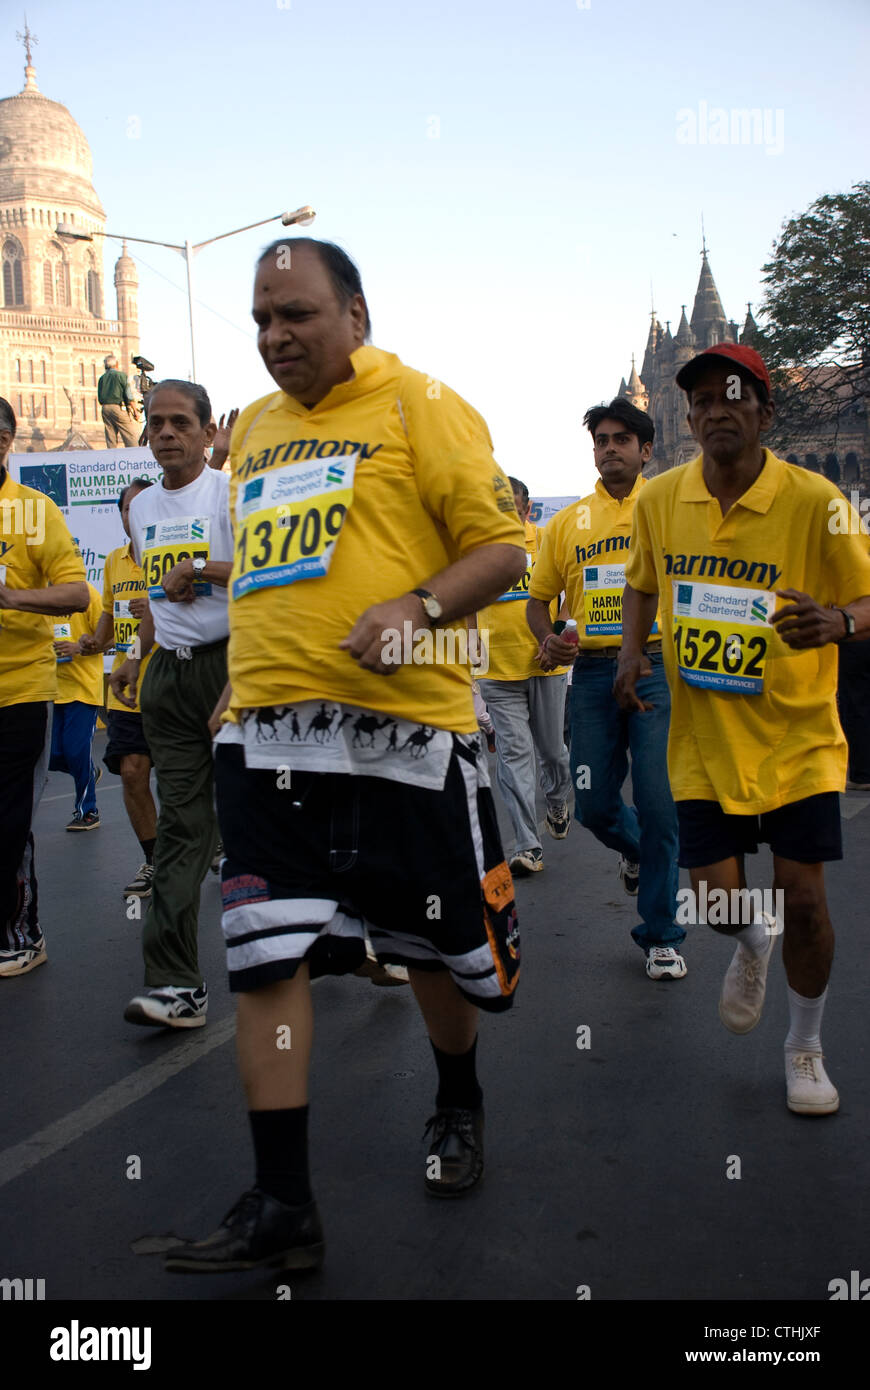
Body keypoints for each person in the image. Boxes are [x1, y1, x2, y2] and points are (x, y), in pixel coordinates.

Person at [164, 237, 525, 1275]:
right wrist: (250, 672)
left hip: (405, 744)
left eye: (298, 316)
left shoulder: (422, 404)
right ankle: (284, 1203)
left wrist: (416, 606)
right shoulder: (262, 429)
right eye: (262, 319)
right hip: (268, 741)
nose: (276, 337)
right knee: (266, 960)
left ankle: (457, 1099)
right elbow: (276, 572)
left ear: (355, 314)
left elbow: (503, 548)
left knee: (427, 951)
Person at [615, 343, 870, 1113]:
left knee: (806, 901)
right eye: (701, 401)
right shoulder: (659, 502)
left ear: (766, 411)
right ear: (684, 416)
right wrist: (630, 653)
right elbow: (640, 585)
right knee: (717, 903)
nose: (716, 410)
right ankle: (751, 944)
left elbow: (867, 600)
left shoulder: (817, 499)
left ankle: (804, 1047)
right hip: (701, 742)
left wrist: (838, 622)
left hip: (796, 736)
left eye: (735, 397)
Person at [528, 398, 686, 980]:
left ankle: (662, 934)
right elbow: (537, 600)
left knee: (659, 801)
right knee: (592, 802)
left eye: (622, 439)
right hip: (593, 671)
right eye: (601, 440)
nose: (610, 448)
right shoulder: (568, 523)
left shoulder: (669, 507)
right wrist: (549, 641)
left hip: (657, 667)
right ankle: (641, 853)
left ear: (647, 450)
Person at [109, 381, 232, 1028]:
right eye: (155, 423)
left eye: (180, 422)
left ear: (208, 432)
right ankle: (176, 983)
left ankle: (357, 928)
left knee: (274, 814)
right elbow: (159, 597)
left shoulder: (232, 496)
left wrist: (206, 571)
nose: (165, 434)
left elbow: (278, 582)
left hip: (235, 671)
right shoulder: (143, 508)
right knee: (182, 830)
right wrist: (136, 654)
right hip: (168, 681)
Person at [0, 396, 89, 978]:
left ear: (6, 440)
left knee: (6, 819)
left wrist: (11, 597)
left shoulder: (34, 511)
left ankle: (21, 931)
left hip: (19, 690)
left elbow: (78, 594)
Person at [476, 476, 573, 876]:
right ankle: (528, 846)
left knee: (553, 752)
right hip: (497, 670)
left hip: (544, 664)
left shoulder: (547, 541)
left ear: (527, 509)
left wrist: (553, 635)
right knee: (515, 757)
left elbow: (569, 596)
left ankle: (556, 800)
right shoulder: (476, 550)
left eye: (510, 508)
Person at [80, 479, 158, 895]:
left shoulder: (173, 552)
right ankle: (154, 860)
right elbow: (109, 619)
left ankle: (203, 841)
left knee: (189, 782)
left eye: (144, 505)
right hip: (128, 690)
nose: (136, 513)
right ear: (123, 515)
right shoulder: (113, 562)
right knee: (131, 773)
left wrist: (167, 602)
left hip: (173, 684)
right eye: (129, 508)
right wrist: (94, 641)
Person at [49, 582, 104, 831]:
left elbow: (108, 639)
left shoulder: (89, 595)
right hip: (50, 688)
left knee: (74, 752)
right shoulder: (40, 596)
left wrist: (78, 648)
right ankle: (89, 771)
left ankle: (88, 811)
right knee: (49, 756)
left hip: (83, 689)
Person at [97, 355, 140, 449]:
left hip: (105, 408)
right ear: (116, 364)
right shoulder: (121, 375)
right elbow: (128, 395)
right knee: (130, 435)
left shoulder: (102, 378)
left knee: (110, 437)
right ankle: (135, 456)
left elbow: (99, 397)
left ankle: (112, 458)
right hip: (117, 407)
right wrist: (135, 411)